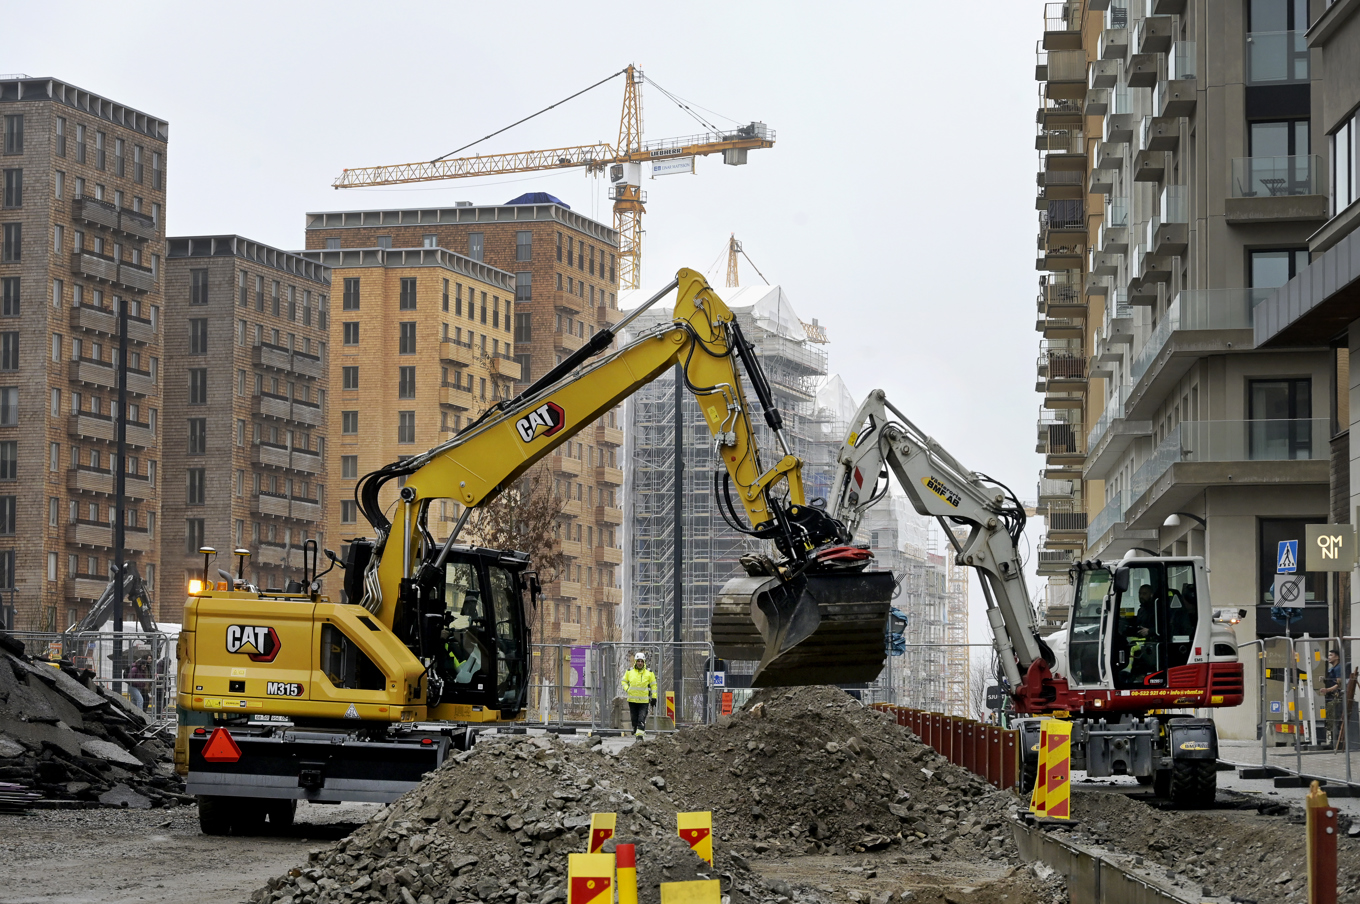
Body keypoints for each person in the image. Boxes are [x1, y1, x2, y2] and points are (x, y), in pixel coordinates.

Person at [621, 652, 657, 738]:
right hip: (632, 700)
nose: (640, 663)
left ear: (644, 662)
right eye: (638, 661)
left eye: (641, 661)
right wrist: (627, 689)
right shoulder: (629, 672)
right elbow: (624, 681)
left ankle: (640, 737)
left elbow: (653, 685)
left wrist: (654, 697)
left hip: (644, 701)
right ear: (636, 662)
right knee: (634, 720)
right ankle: (637, 732)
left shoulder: (649, 673)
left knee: (641, 719)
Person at [1322, 649, 1344, 748]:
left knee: (1334, 718)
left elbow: (1339, 684)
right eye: (1328, 655)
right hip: (1329, 696)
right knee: (1330, 718)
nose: (1329, 657)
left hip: (1335, 697)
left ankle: (1336, 742)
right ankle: (1333, 741)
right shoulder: (1332, 668)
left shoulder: (1338, 668)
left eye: (1331, 655)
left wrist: (1328, 689)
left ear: (1337, 657)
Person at [125, 648, 152, 712]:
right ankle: (140, 714)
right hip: (133, 687)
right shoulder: (134, 669)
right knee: (140, 700)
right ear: (140, 664)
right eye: (143, 665)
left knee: (134, 701)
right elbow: (130, 679)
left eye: (145, 665)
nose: (144, 667)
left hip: (138, 687)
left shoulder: (142, 670)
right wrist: (138, 682)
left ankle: (134, 713)